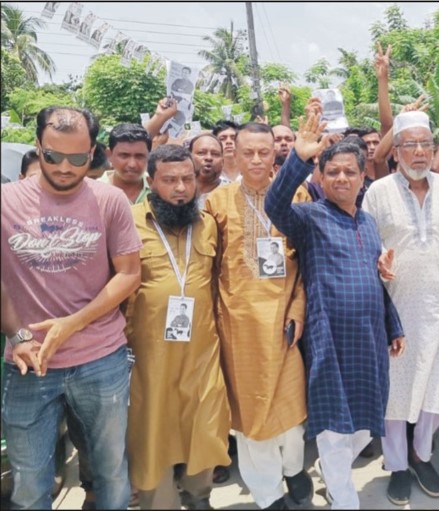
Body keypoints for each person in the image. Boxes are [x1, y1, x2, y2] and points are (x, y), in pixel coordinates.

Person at [1, 106, 143, 510]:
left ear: (93, 152)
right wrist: (18, 333)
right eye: (53, 156)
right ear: (37, 148)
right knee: (29, 483)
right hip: (28, 362)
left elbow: (129, 274)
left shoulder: (110, 200)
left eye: (78, 158)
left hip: (101, 360)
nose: (65, 167)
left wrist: (72, 324)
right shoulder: (5, 202)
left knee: (111, 469)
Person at [265, 113, 405, 510]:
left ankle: (334, 473)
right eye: (333, 173)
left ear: (363, 178)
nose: (341, 179)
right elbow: (276, 206)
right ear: (321, 179)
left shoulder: (370, 222)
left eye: (349, 172)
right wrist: (299, 157)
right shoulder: (309, 218)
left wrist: (393, 324)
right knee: (332, 430)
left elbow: (378, 280)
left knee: (365, 423)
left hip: (370, 340)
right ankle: (345, 499)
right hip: (330, 341)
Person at [205, 122, 313, 511]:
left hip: (285, 322)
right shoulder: (217, 201)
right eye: (246, 152)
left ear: (274, 154)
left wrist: (299, 307)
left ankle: (294, 468)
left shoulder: (296, 193)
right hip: (239, 328)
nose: (254, 160)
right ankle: (268, 495)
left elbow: (306, 260)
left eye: (263, 152)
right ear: (233, 153)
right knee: (252, 420)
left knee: (292, 414)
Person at [362, 111, 439, 506]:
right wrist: (379, 264)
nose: (420, 152)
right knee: (395, 393)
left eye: (425, 143)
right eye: (410, 144)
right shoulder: (378, 192)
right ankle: (398, 465)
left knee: (436, 387)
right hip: (395, 307)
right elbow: (369, 244)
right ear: (397, 151)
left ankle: (423, 456)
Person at [125, 144, 230, 509]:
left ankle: (199, 495)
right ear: (151, 181)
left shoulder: (208, 225)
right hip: (149, 357)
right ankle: (161, 502)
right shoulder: (128, 221)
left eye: (187, 179)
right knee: (153, 433)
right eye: (170, 180)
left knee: (204, 427)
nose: (182, 188)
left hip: (202, 352)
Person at [100, 123, 152, 205]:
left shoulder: (158, 188)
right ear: (109, 155)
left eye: (139, 156)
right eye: (124, 156)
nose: (132, 164)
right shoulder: (94, 191)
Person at [189, 133, 224, 206]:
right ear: (189, 158)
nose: (209, 158)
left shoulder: (234, 194)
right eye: (201, 153)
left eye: (215, 154)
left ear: (222, 162)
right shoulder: (177, 192)